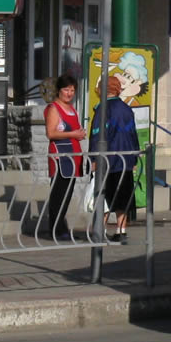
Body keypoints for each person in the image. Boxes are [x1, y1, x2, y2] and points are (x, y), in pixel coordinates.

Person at [90, 75, 140, 244]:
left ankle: (100, 229)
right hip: (125, 159)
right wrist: (134, 157)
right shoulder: (127, 109)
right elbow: (133, 133)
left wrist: (94, 158)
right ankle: (121, 230)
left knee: (103, 195)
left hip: (107, 159)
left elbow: (98, 135)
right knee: (123, 196)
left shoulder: (103, 109)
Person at [43, 74, 86, 239]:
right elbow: (51, 133)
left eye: (72, 90)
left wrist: (80, 134)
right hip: (60, 156)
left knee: (67, 194)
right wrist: (73, 133)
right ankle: (56, 229)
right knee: (58, 194)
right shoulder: (54, 108)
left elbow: (73, 129)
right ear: (59, 90)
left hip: (74, 156)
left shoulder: (72, 108)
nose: (69, 93)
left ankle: (61, 227)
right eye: (66, 89)